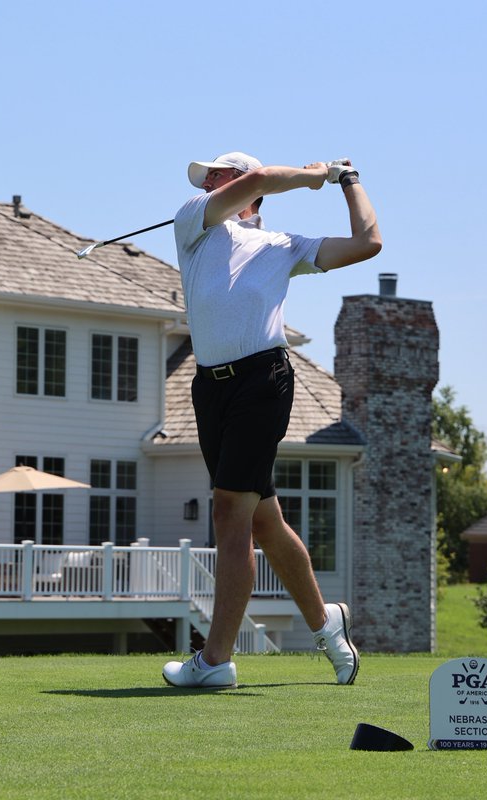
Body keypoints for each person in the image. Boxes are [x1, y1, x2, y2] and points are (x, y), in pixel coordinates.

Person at [163, 151, 382, 688]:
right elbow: (260, 179)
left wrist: (345, 180)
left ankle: (215, 662)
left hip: (263, 381)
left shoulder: (283, 247)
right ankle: (328, 625)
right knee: (263, 520)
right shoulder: (195, 220)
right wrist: (315, 176)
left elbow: (367, 242)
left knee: (229, 516)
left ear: (241, 185)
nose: (207, 183)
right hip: (210, 388)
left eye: (216, 175)